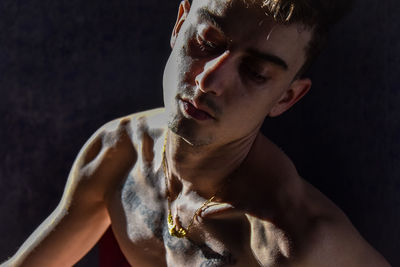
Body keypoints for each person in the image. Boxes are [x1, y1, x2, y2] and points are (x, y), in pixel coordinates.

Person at [2, 0, 391, 266]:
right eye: (207, 42)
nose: (209, 79)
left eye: (254, 72)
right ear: (180, 22)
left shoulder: (294, 245)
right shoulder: (120, 150)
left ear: (286, 98)